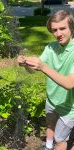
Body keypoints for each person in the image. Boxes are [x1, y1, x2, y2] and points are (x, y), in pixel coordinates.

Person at [17, 10, 74, 150]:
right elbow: (33, 70)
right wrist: (26, 65)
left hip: (69, 108)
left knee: (60, 139)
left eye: (62, 28)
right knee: (50, 124)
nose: (58, 34)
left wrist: (42, 66)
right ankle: (48, 146)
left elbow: (69, 83)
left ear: (72, 28)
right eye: (54, 30)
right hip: (52, 99)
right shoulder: (51, 47)